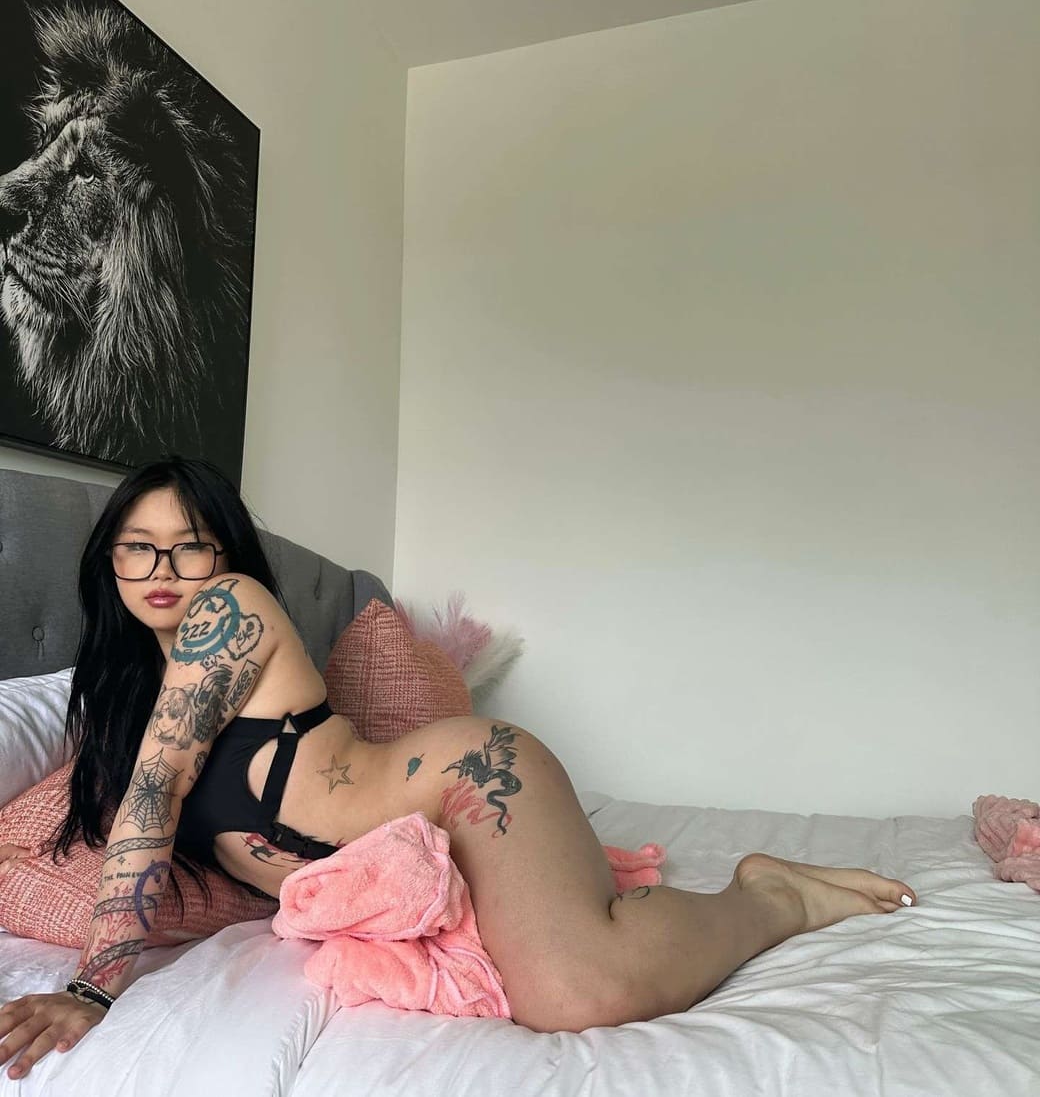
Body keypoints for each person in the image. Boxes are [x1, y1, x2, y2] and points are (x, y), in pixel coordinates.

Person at [0, 456, 916, 1080]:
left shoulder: (228, 612)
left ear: (225, 555)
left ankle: (767, 896)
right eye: (138, 545)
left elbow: (156, 797)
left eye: (190, 542)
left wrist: (91, 987)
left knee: (576, 993)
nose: (164, 566)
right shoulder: (135, 697)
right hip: (418, 857)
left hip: (468, 783)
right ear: (109, 560)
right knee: (568, 962)